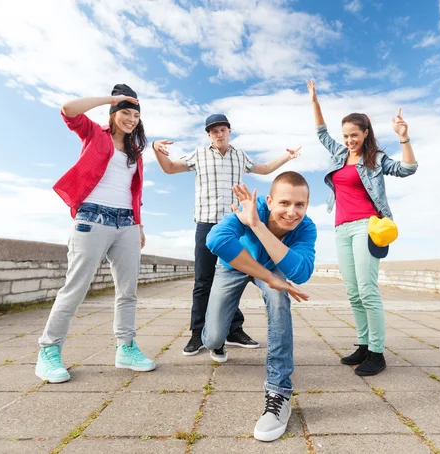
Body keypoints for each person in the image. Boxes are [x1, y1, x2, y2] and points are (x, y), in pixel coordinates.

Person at [152, 114, 300, 356]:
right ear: (208, 135)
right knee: (203, 281)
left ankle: (233, 330)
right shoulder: (199, 155)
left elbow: (263, 169)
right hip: (206, 224)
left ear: (229, 131)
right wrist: (155, 149)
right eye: (213, 131)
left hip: (234, 226)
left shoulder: (239, 156)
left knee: (232, 277)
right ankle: (196, 334)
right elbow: (169, 168)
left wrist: (288, 156)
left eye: (222, 130)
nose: (218, 134)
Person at [35, 84, 155, 383]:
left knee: (128, 292)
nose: (131, 119)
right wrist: (111, 99)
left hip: (126, 223)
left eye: (136, 115)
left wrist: (138, 225)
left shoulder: (135, 151)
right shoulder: (94, 133)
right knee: (75, 288)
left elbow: (134, 191)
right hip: (92, 219)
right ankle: (49, 351)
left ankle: (125, 348)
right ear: (113, 113)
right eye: (125, 112)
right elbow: (68, 109)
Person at [307, 79, 418, 376]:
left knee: (368, 290)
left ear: (366, 133)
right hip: (341, 228)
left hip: (366, 227)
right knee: (353, 292)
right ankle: (363, 344)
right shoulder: (340, 154)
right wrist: (315, 101)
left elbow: (408, 169)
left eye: (354, 135)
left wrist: (404, 137)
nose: (348, 140)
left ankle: (377, 353)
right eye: (345, 136)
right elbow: (321, 133)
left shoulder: (376, 160)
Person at [202, 171, 316, 442]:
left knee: (279, 298)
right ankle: (217, 339)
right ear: (270, 200)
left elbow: (300, 272)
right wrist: (268, 276)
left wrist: (258, 227)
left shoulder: (305, 227)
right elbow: (215, 240)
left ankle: (278, 391)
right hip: (234, 264)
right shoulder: (252, 207)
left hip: (272, 266)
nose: (291, 212)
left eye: (300, 205)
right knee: (214, 338)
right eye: (285, 203)